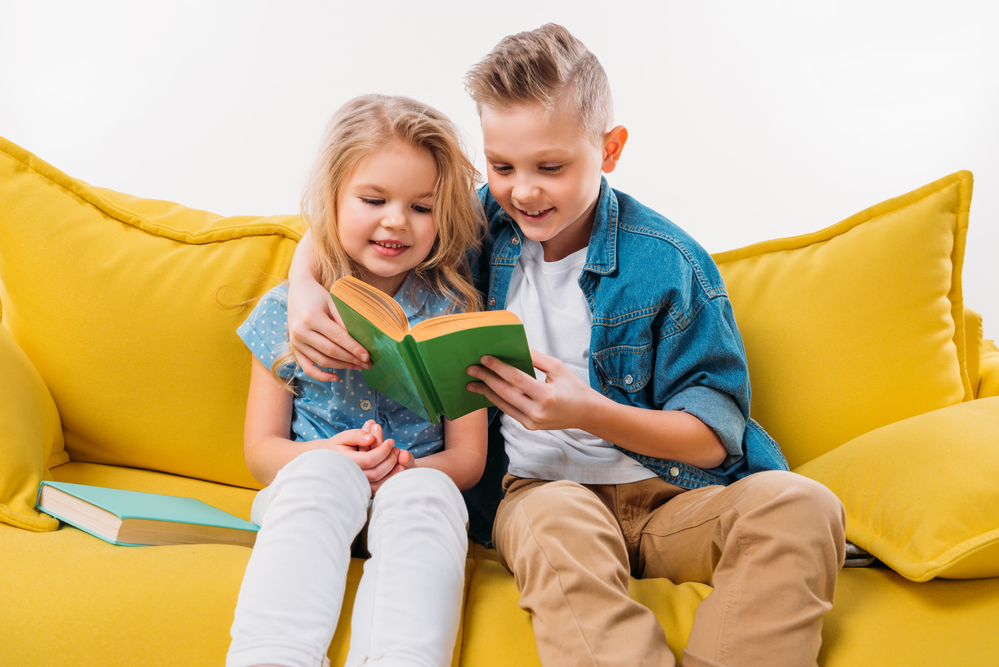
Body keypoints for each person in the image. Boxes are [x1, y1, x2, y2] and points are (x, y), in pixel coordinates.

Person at [286, 26, 847, 667]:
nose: (523, 191)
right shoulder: (475, 228)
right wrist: (303, 285)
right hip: (540, 494)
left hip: (672, 498)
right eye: (502, 168)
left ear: (609, 150)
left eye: (550, 167)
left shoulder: (667, 263)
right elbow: (347, 220)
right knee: (556, 523)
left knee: (805, 503)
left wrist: (584, 411)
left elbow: (716, 436)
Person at [227, 94, 488, 667]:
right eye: (373, 199)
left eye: (422, 207)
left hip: (411, 497)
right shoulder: (285, 312)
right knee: (321, 473)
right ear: (333, 200)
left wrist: (403, 469)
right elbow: (260, 450)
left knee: (428, 494)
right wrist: (333, 455)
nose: (396, 220)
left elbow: (468, 458)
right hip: (310, 498)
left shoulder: (455, 316)